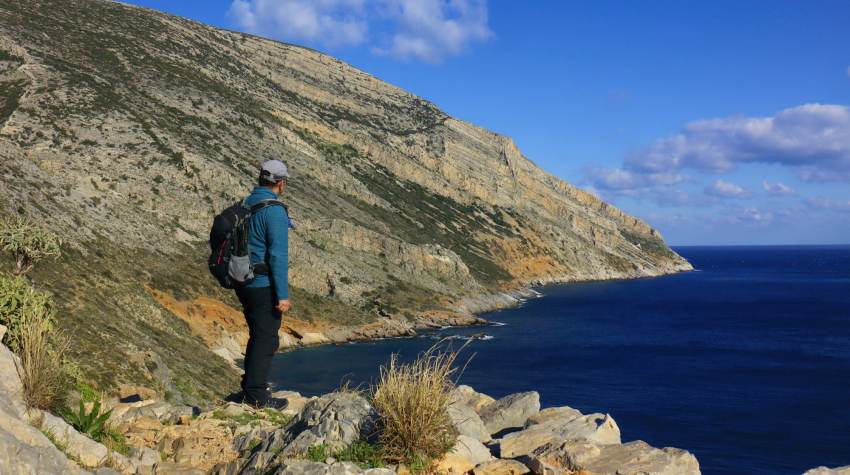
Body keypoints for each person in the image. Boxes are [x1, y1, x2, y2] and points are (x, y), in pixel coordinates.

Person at [235, 159, 292, 408]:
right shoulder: (274, 211)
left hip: (243, 280)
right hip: (262, 283)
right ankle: (256, 396)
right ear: (280, 183)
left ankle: (250, 388)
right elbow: (277, 255)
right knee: (266, 339)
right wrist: (283, 295)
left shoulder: (247, 203)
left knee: (258, 335)